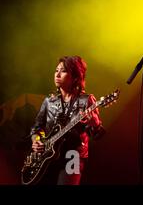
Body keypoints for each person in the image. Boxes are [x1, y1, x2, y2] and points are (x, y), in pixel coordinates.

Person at [30, 55, 105, 185]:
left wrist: (95, 124)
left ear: (75, 77)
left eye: (63, 71)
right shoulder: (49, 101)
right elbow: (37, 128)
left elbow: (98, 135)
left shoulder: (86, 100)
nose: (57, 74)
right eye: (56, 70)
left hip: (73, 156)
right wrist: (36, 141)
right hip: (47, 156)